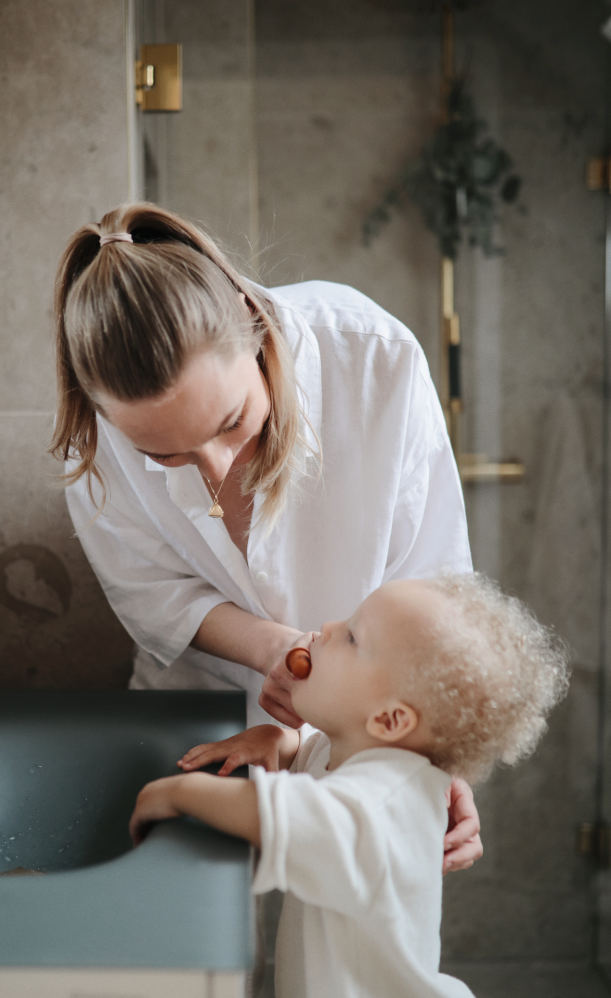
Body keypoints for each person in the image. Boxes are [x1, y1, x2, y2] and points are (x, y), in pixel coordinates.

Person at [51, 201, 480, 872]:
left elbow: (436, 591)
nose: (217, 471)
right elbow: (151, 593)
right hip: (193, 721)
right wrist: (272, 650)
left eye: (231, 422)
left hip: (370, 736)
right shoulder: (95, 438)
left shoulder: (375, 362)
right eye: (164, 455)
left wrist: (434, 753)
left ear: (253, 327)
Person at [129, 573, 570, 998]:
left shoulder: (381, 803)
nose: (327, 629)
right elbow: (316, 758)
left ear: (391, 717)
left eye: (353, 637)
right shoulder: (362, 753)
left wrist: (176, 792)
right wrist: (277, 738)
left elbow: (297, 817)